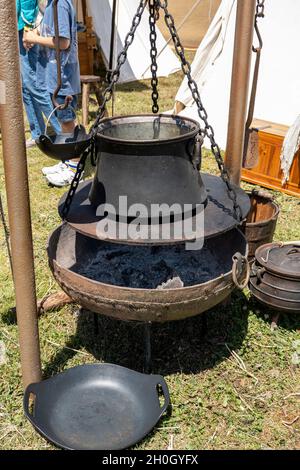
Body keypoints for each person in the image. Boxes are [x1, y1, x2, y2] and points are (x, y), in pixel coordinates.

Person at [23, 0, 81, 187]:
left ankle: (74, 167)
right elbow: (52, 32)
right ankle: (67, 160)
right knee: (64, 121)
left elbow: (63, 42)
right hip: (55, 75)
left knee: (67, 121)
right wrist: (37, 33)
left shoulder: (60, 5)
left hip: (63, 76)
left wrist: (34, 39)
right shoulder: (50, 5)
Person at [17, 0, 61, 148]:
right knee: (25, 85)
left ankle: (62, 131)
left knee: (33, 83)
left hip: (23, 28)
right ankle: (38, 134)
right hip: (17, 28)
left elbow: (28, 2)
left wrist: (28, 27)